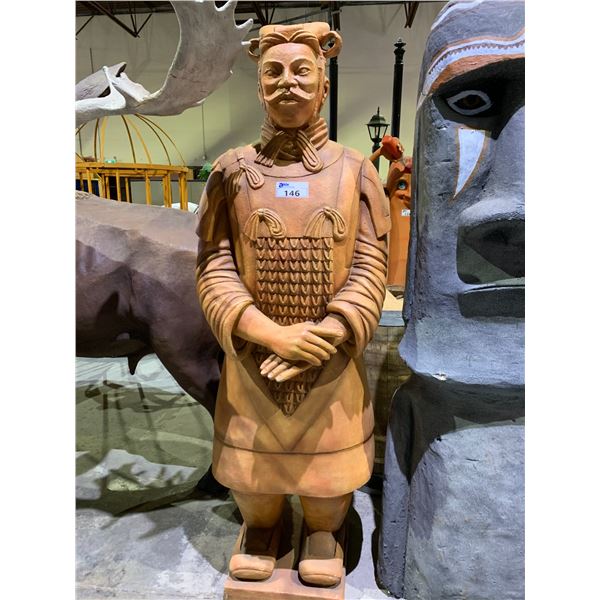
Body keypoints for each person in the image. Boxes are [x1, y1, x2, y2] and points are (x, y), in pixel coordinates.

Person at [196, 21, 389, 588]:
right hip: (254, 360)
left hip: (330, 363)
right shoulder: (231, 172)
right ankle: (263, 529)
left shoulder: (355, 171)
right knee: (253, 480)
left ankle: (324, 530)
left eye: (303, 71)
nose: (289, 82)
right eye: (273, 72)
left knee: (327, 484)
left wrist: (329, 332)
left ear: (324, 86)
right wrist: (269, 332)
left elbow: (370, 264)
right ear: (258, 88)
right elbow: (214, 264)